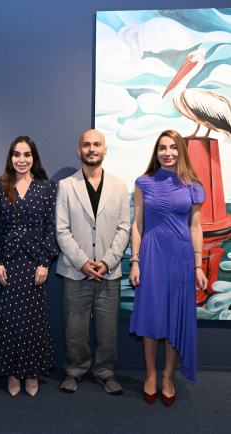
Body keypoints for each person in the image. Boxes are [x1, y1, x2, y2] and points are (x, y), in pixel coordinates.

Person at [129, 130, 207, 407]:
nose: (168, 153)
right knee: (151, 317)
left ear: (181, 151)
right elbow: (137, 225)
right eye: (162, 148)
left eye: (173, 147)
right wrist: (135, 261)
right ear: (156, 152)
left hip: (181, 258)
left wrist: (198, 265)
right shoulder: (144, 182)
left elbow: (195, 227)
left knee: (175, 317)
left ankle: (168, 376)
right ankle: (150, 374)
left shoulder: (193, 185)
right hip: (151, 256)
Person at [56, 129, 130, 395]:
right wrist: (82, 262)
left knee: (108, 330)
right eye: (86, 145)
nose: (92, 149)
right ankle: (74, 370)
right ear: (79, 151)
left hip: (109, 273)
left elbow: (124, 228)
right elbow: (61, 230)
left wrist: (107, 262)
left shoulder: (120, 186)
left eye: (97, 144)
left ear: (105, 150)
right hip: (76, 271)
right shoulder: (66, 186)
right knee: (74, 328)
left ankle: (105, 372)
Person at [0, 136, 57, 397]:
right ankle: (11, 373)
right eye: (17, 154)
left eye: (27, 154)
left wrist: (45, 262)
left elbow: (50, 226)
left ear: (34, 158)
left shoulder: (47, 187)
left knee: (33, 320)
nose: (22, 160)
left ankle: (31, 373)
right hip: (8, 261)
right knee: (8, 319)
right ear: (10, 158)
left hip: (34, 261)